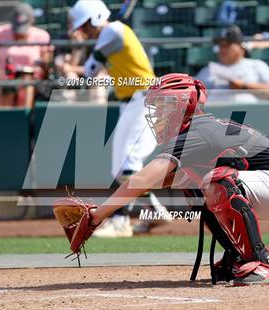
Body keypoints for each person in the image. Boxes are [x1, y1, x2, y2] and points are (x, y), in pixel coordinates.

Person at [61, 73, 269, 285]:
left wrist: (98, 215)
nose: (157, 115)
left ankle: (258, 261)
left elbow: (144, 178)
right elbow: (157, 181)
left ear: (183, 104)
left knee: (216, 183)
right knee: (194, 186)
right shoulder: (196, 129)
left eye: (163, 107)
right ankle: (237, 256)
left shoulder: (196, 129)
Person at [69, 0, 170, 237]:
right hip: (130, 103)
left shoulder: (114, 30)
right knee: (119, 167)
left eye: (85, 26)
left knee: (130, 162)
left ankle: (120, 220)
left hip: (145, 99)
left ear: (95, 17)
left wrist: (76, 64)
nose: (84, 31)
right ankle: (153, 211)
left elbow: (91, 69)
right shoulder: (110, 36)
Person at [0, 3, 53, 108]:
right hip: (3, 80)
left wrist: (37, 70)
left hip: (31, 82)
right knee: (6, 86)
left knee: (26, 83)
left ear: (32, 22)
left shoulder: (42, 36)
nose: (20, 33)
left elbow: (47, 65)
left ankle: (24, 118)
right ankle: (6, 120)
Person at [195, 25, 269, 97]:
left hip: (248, 113)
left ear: (240, 46)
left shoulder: (257, 65)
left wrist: (244, 86)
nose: (222, 49)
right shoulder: (208, 69)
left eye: (226, 45)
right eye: (220, 46)